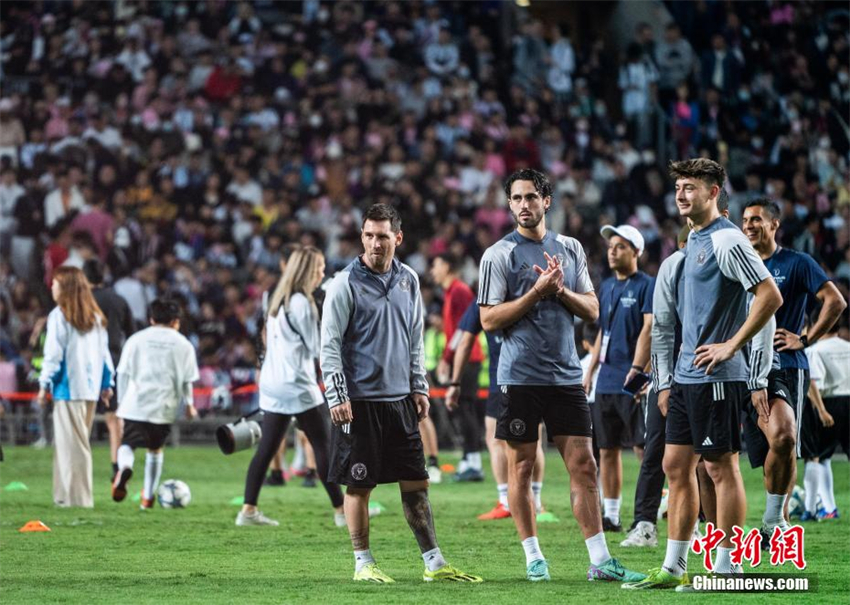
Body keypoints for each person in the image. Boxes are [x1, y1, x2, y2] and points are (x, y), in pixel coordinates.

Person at [478, 168, 644, 583]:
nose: (524, 205)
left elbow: (591, 309)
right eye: (516, 199)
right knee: (521, 468)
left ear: (546, 201)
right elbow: (488, 319)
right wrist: (536, 292)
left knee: (584, 466)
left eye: (531, 197)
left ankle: (601, 560)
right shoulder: (498, 255)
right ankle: (534, 557)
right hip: (519, 377)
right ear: (510, 204)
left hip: (567, 377)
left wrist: (559, 291)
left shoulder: (569, 249)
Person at [624, 158, 783, 590]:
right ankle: (674, 566)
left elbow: (770, 296)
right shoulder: (689, 247)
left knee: (719, 469)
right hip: (685, 379)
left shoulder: (728, 241)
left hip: (718, 376)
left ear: (714, 193)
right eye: (678, 186)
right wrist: (665, 381)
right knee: (676, 465)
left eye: (690, 187)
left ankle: (728, 565)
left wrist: (733, 346)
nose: (680, 194)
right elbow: (666, 326)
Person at [321, 203, 481, 583]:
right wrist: (337, 395)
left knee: (417, 484)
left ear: (398, 237)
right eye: (369, 236)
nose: (375, 243)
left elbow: (414, 340)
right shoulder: (344, 283)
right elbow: (328, 344)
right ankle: (363, 564)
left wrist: (418, 386)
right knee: (359, 485)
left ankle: (435, 563)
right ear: (362, 237)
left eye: (383, 236)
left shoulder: (409, 279)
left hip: (399, 401)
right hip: (359, 402)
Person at [740, 199, 846, 537]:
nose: (749, 225)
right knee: (740, 451)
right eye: (745, 220)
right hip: (738, 368)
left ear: (774, 224)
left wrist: (806, 338)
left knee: (785, 442)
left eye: (757, 219)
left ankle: (776, 521)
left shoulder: (796, 262)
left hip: (784, 365)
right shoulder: (735, 263)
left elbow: (836, 300)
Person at [236, 246, 346, 527]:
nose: (323, 272)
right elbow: (314, 346)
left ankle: (248, 510)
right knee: (324, 445)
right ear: (308, 270)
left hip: (274, 383)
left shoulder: (278, 300)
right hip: (297, 384)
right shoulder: (302, 302)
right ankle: (342, 511)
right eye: (319, 267)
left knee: (268, 447)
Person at [445, 300, 546, 520]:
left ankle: (505, 502)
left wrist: (455, 382)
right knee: (533, 440)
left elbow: (464, 342)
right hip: (533, 379)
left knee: (495, 439)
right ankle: (536, 502)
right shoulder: (527, 293)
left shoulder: (482, 300)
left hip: (502, 381)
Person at [583, 224, 653, 533]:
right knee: (607, 450)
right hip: (607, 379)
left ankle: (654, 506)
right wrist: (590, 371)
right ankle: (611, 515)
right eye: (611, 246)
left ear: (636, 251)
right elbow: (603, 332)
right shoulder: (608, 287)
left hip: (633, 378)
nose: (612, 250)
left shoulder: (647, 285)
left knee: (642, 449)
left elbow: (651, 329)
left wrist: (640, 371)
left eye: (621, 246)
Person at [37, 266, 113, 508]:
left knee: (73, 446)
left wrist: (43, 384)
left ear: (66, 288)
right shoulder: (96, 318)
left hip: (67, 389)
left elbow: (53, 355)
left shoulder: (59, 316)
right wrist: (106, 384)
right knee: (69, 444)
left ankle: (79, 499)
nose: (52, 287)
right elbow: (104, 356)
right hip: (89, 390)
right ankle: (62, 496)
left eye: (56, 283)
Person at [112, 298, 199, 510]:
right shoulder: (184, 345)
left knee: (127, 444)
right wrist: (189, 404)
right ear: (176, 321)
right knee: (155, 449)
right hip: (164, 406)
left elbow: (123, 373)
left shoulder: (136, 340)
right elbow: (187, 380)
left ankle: (124, 467)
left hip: (135, 403)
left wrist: (121, 404)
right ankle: (147, 498)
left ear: (151, 319)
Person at [431, 253, 485, 482]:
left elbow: (466, 328)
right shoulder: (452, 291)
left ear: (447, 266)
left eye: (436, 264)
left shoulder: (460, 290)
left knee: (466, 409)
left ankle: (473, 462)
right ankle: (468, 460)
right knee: (463, 409)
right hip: (463, 357)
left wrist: (447, 357)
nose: (433, 269)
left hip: (468, 357)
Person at [83, 259, 135, 480]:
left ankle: (82, 465)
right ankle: (117, 467)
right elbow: (131, 333)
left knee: (84, 414)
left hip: (86, 360)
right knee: (114, 417)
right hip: (114, 359)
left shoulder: (82, 301)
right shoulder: (118, 300)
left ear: (84, 279)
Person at [802, 319, 850, 520]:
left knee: (819, 456)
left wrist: (821, 410)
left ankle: (825, 507)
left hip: (828, 404)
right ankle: (827, 508)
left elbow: (813, 381)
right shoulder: (848, 347)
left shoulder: (816, 350)